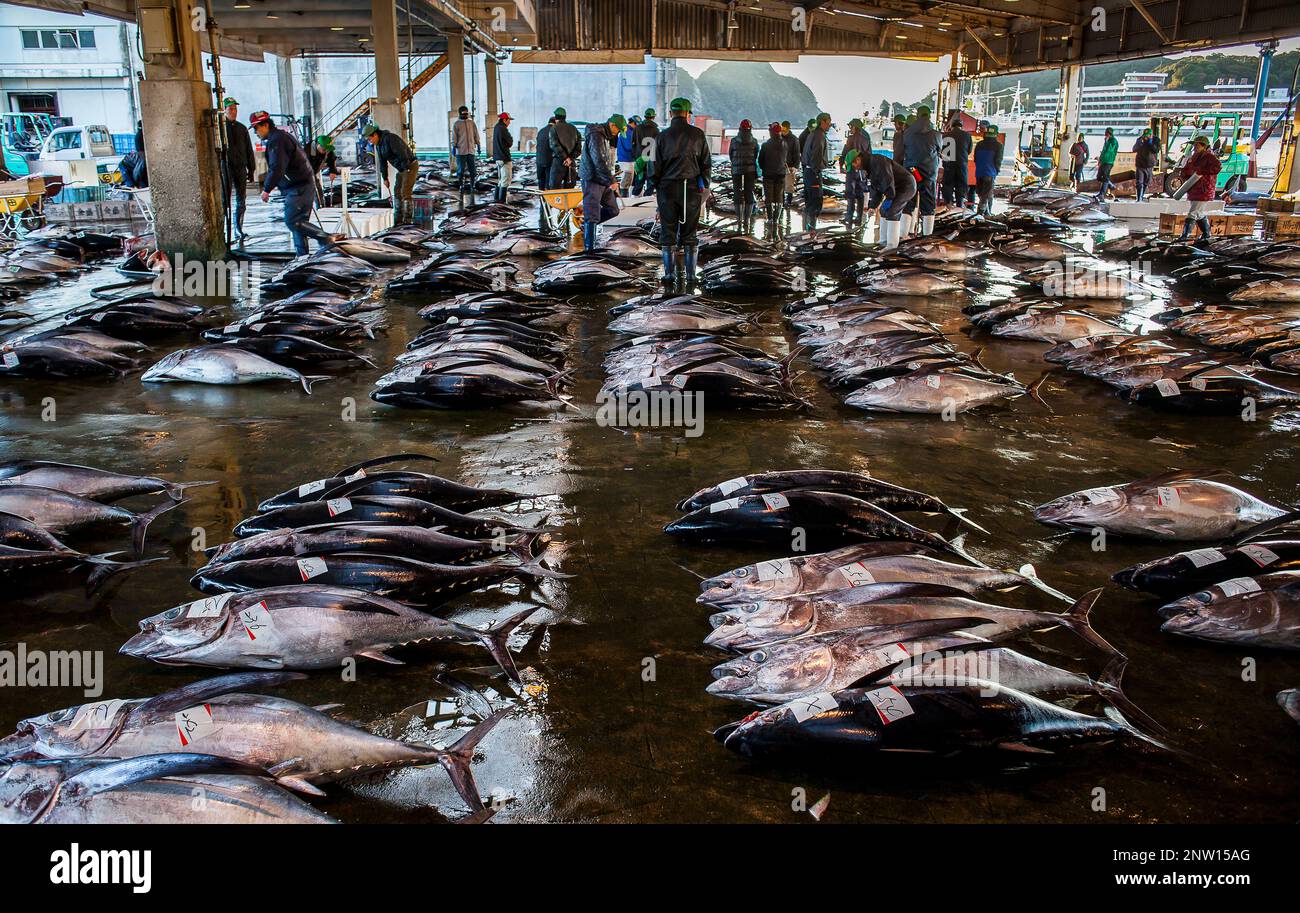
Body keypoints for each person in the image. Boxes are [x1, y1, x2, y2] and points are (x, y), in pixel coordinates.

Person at [251, 111, 339, 255]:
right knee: (298, 225)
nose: (256, 132)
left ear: (265, 125)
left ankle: (326, 238)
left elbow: (277, 167)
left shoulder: (277, 140)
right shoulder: (282, 137)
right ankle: (302, 259)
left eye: (256, 128)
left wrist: (267, 189)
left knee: (292, 221)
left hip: (298, 187)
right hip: (305, 185)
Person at [654, 97, 711, 289]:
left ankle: (669, 276)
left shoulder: (661, 137)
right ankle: (691, 277)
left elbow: (653, 168)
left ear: (671, 114)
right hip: (691, 189)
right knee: (690, 234)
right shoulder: (698, 134)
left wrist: (657, 189)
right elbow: (706, 164)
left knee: (668, 232)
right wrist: (705, 186)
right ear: (687, 114)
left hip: (667, 189)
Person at [579, 114, 624, 251]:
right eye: (618, 130)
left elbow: (603, 161)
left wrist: (610, 178)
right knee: (592, 215)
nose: (618, 133)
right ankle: (590, 250)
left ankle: (587, 226)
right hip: (592, 179)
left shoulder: (605, 136)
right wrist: (611, 181)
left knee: (613, 210)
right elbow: (598, 160)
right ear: (612, 125)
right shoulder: (596, 135)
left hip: (602, 179)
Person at [854, 151, 916, 250]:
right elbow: (876, 189)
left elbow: (888, 181)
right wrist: (872, 206)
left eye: (853, 164)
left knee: (892, 212)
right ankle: (883, 241)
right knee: (883, 210)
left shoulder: (877, 161)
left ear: (858, 159)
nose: (855, 167)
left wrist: (890, 198)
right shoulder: (869, 167)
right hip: (895, 188)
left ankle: (892, 246)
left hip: (906, 186)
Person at [364, 121, 418, 223]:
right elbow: (382, 162)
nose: (370, 141)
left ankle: (408, 220)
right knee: (397, 192)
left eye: (370, 139)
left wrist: (406, 169)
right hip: (402, 168)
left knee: (405, 192)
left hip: (409, 165)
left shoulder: (390, 138)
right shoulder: (378, 145)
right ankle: (398, 218)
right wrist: (385, 178)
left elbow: (403, 153)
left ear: (375, 134)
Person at [902, 105, 941, 236]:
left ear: (917, 116)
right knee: (928, 206)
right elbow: (940, 152)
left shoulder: (907, 133)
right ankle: (927, 236)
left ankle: (904, 235)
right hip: (928, 174)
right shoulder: (936, 134)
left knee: (908, 202)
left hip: (911, 172)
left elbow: (903, 151)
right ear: (929, 116)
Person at [221, 98, 254, 242]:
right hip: (226, 166)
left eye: (235, 109)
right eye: (230, 109)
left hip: (240, 166)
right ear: (224, 110)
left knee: (241, 200)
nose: (233, 112)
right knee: (224, 200)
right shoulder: (220, 128)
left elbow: (248, 149)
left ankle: (238, 228)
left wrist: (251, 169)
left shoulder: (242, 128)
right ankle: (222, 229)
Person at [1177, 135, 1221, 244]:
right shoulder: (1193, 157)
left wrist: (1202, 171)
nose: (1195, 147)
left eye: (1197, 145)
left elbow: (1217, 167)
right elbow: (1187, 170)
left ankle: (1185, 236)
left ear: (1204, 146)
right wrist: (1183, 173)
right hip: (1193, 189)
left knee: (1193, 212)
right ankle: (1207, 234)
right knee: (1199, 213)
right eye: (1194, 145)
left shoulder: (1209, 157)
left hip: (1204, 189)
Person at [839, 117, 872, 228]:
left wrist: (841, 165)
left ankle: (849, 217)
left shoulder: (851, 139)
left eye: (851, 126)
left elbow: (845, 153)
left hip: (851, 170)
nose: (850, 129)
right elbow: (869, 155)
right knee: (860, 194)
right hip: (862, 171)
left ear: (855, 127)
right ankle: (859, 218)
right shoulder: (866, 139)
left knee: (850, 193)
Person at [800, 112, 831, 231]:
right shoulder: (819, 136)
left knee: (809, 202)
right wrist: (816, 172)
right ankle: (811, 231)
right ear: (822, 122)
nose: (829, 125)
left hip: (807, 171)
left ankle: (806, 230)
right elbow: (816, 156)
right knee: (815, 203)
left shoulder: (812, 134)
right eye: (828, 123)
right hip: (813, 172)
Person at [729, 119, 759, 234]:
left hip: (736, 170)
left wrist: (736, 163)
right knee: (748, 193)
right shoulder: (754, 141)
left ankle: (739, 220)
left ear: (739, 128)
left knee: (737, 192)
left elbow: (731, 155)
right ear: (750, 129)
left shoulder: (734, 141)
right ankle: (747, 220)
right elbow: (756, 155)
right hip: (750, 170)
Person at [758, 122, 788, 238]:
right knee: (779, 196)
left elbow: (760, 160)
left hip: (768, 174)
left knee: (769, 197)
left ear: (771, 132)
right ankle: (776, 219)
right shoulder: (785, 144)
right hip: (781, 173)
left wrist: (764, 168)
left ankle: (770, 218)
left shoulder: (766, 145)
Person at [450, 105, 481, 207]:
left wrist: (478, 144)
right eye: (463, 113)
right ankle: (461, 185)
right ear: (459, 114)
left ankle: (472, 185)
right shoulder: (456, 124)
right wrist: (454, 146)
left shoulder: (471, 123)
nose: (465, 115)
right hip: (461, 151)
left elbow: (476, 134)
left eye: (466, 113)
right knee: (460, 170)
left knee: (473, 170)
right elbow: (454, 136)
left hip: (471, 150)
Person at [940, 111, 971, 209]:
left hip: (949, 164)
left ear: (952, 126)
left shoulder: (945, 136)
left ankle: (948, 204)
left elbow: (942, 152)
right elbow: (969, 150)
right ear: (961, 126)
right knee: (961, 185)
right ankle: (959, 204)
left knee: (948, 184)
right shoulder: (967, 136)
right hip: (961, 164)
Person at [972, 124, 1003, 217]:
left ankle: (986, 213)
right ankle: (980, 213)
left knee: (982, 194)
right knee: (986, 195)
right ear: (996, 134)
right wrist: (996, 170)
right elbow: (998, 160)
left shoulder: (979, 144)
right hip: (989, 173)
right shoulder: (998, 145)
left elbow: (975, 159)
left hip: (979, 172)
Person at [548, 107, 581, 190]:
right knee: (569, 189)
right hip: (571, 164)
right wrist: (570, 158)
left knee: (555, 189)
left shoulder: (553, 129)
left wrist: (565, 158)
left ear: (555, 118)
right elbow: (579, 147)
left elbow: (554, 145)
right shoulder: (574, 128)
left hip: (559, 163)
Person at [536, 115, 556, 231]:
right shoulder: (553, 131)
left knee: (541, 181)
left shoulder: (541, 131)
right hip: (549, 161)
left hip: (539, 160)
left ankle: (541, 198)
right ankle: (547, 202)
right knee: (548, 183)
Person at [633, 108, 658, 195]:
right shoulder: (656, 129)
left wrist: (636, 156)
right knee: (651, 180)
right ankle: (647, 196)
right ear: (653, 117)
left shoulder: (637, 128)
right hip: (651, 158)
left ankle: (635, 196)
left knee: (639, 178)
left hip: (640, 157)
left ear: (645, 116)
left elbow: (633, 143)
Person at [491, 111, 514, 204]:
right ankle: (501, 202)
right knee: (505, 180)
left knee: (500, 180)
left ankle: (497, 200)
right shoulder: (503, 129)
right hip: (504, 158)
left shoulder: (496, 127)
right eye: (509, 120)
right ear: (504, 120)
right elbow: (510, 142)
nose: (510, 122)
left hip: (498, 158)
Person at [1133, 128, 1159, 202]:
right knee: (1139, 183)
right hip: (1140, 164)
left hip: (1149, 165)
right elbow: (1134, 149)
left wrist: (1150, 142)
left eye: (1148, 136)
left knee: (1146, 182)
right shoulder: (1140, 140)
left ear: (1151, 135)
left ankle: (1142, 195)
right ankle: (1139, 198)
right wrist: (1140, 143)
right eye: (1145, 136)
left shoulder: (1156, 140)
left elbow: (1156, 150)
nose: (1146, 137)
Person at [616, 115, 638, 197]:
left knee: (630, 179)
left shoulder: (628, 130)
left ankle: (627, 198)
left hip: (627, 158)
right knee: (627, 179)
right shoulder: (627, 131)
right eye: (637, 124)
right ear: (633, 123)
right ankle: (624, 199)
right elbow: (629, 146)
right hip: (626, 159)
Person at [1095, 127, 1118, 201]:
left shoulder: (1113, 141)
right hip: (1103, 161)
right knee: (1099, 177)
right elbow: (1104, 151)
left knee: (1105, 176)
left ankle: (1102, 194)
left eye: (1107, 133)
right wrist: (1100, 160)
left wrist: (1107, 141)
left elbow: (1109, 150)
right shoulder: (1106, 141)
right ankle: (1110, 185)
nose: (1106, 134)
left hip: (1109, 161)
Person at [780, 121, 799, 209]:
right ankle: (781, 202)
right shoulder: (778, 137)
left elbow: (796, 153)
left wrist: (796, 166)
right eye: (782, 130)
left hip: (790, 165)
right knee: (780, 185)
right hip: (779, 165)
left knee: (789, 186)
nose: (783, 132)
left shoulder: (794, 139)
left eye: (785, 130)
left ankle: (788, 202)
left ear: (788, 129)